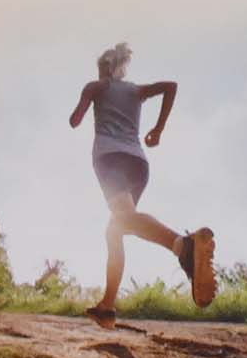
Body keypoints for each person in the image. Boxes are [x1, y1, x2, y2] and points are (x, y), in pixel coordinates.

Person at [71, 43, 213, 322]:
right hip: (138, 164)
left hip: (109, 158)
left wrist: (85, 102)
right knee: (116, 229)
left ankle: (183, 246)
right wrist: (158, 130)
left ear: (107, 69)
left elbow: (75, 120)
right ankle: (107, 305)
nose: (100, 75)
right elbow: (170, 86)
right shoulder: (135, 90)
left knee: (124, 217)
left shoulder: (96, 87)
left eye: (101, 70)